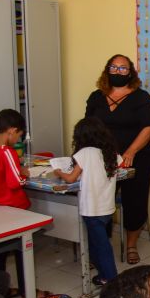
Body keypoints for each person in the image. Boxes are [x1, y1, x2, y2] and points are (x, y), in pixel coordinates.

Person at [86, 54, 150, 265]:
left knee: (134, 201)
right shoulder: (96, 97)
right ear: (107, 69)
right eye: (114, 67)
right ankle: (101, 246)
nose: (118, 72)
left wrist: (131, 151)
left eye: (123, 68)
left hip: (137, 158)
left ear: (131, 72)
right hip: (103, 161)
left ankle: (131, 245)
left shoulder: (141, 97)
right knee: (100, 202)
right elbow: (88, 127)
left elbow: (149, 127)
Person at [0, 108, 48, 298]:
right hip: (13, 210)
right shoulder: (6, 152)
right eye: (19, 135)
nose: (18, 140)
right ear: (12, 131)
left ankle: (1, 288)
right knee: (22, 251)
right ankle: (27, 291)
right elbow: (16, 182)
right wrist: (23, 173)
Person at [53, 117, 121, 286]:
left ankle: (111, 279)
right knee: (100, 242)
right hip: (107, 207)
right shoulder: (110, 152)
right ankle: (103, 274)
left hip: (92, 209)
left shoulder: (84, 153)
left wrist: (59, 172)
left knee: (101, 246)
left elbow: (70, 178)